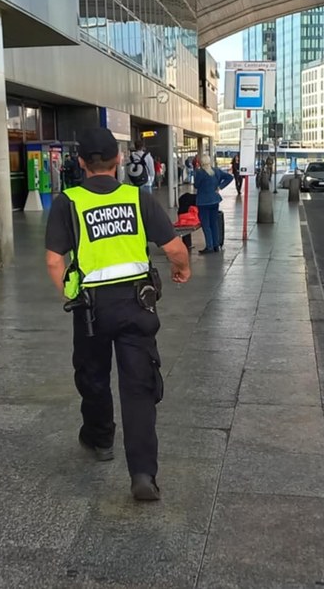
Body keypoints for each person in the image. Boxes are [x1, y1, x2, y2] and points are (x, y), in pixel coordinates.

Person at [45, 127, 192, 502]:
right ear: (119, 159)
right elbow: (174, 248)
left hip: (91, 308)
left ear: (81, 163)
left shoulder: (68, 201)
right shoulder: (137, 197)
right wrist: (182, 269)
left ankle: (100, 439)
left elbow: (54, 260)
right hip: (137, 304)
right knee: (139, 386)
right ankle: (143, 473)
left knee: (92, 374)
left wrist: (69, 293)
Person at [192, 152, 233, 254]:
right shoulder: (216, 171)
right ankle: (216, 245)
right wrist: (220, 187)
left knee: (206, 225)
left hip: (203, 202)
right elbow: (229, 177)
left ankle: (209, 246)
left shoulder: (200, 173)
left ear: (201, 163)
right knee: (214, 224)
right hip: (215, 200)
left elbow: (196, 185)